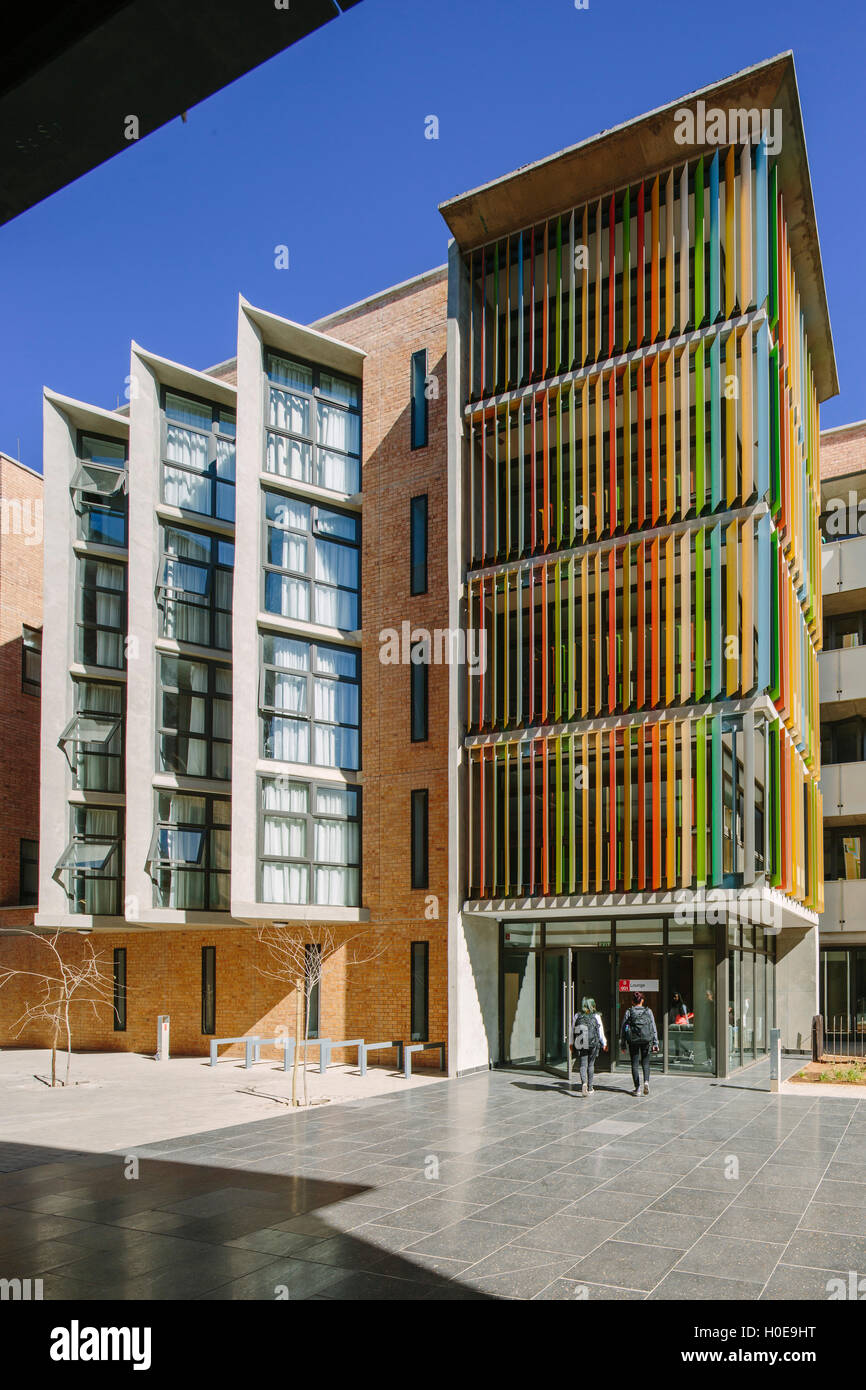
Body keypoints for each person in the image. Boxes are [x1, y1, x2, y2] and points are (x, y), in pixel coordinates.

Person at [620, 989, 659, 1095]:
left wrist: (623, 1043)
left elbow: (624, 1028)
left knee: (635, 1064)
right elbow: (653, 1027)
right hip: (646, 1040)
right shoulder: (648, 1011)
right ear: (642, 1000)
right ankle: (646, 1082)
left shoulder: (629, 1011)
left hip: (633, 1041)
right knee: (646, 1063)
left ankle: (637, 1088)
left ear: (633, 1001)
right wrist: (655, 1042)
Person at [571, 995, 607, 1096]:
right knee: (591, 1064)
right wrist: (604, 1042)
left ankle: (584, 1084)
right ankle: (590, 1087)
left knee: (583, 1064)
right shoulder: (596, 1016)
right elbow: (600, 1031)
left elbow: (572, 1029)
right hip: (593, 1042)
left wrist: (570, 1043)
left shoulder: (577, 1015)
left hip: (581, 1041)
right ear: (593, 1005)